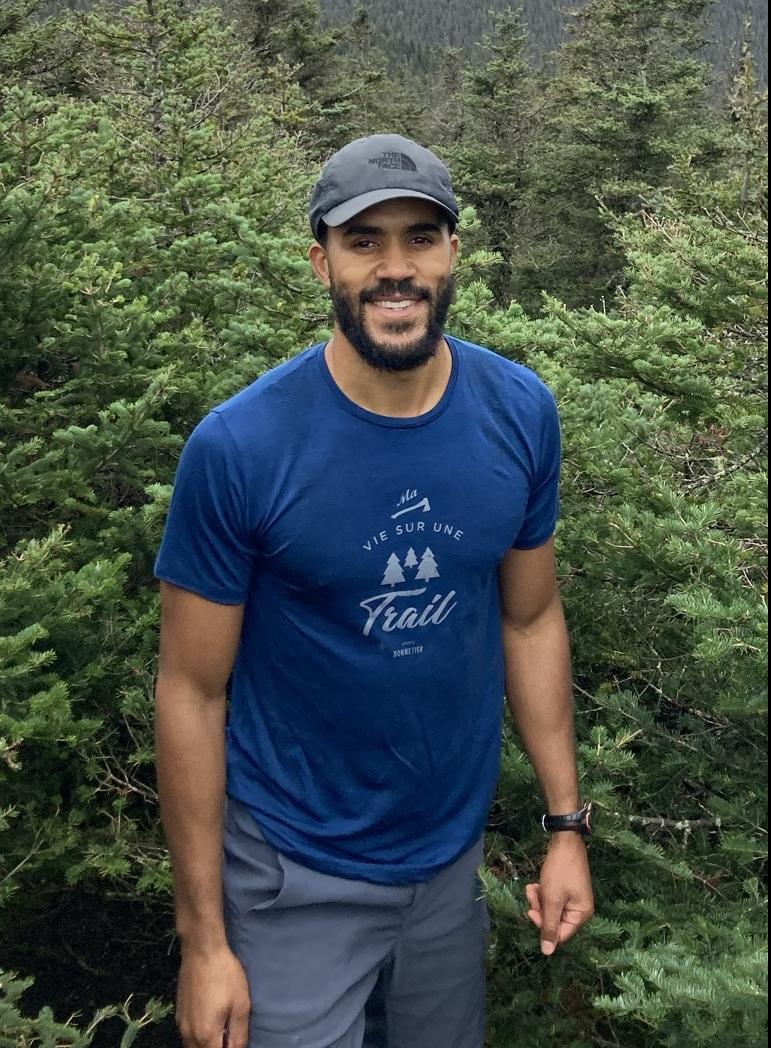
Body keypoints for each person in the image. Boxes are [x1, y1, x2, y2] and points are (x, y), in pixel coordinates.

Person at [154, 133, 595, 1048]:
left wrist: (564, 828)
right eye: (364, 241)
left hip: (448, 863)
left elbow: (530, 617)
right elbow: (191, 691)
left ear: (453, 253)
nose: (396, 268)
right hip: (291, 870)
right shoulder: (241, 447)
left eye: (419, 238)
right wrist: (204, 943)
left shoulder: (519, 412)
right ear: (321, 262)